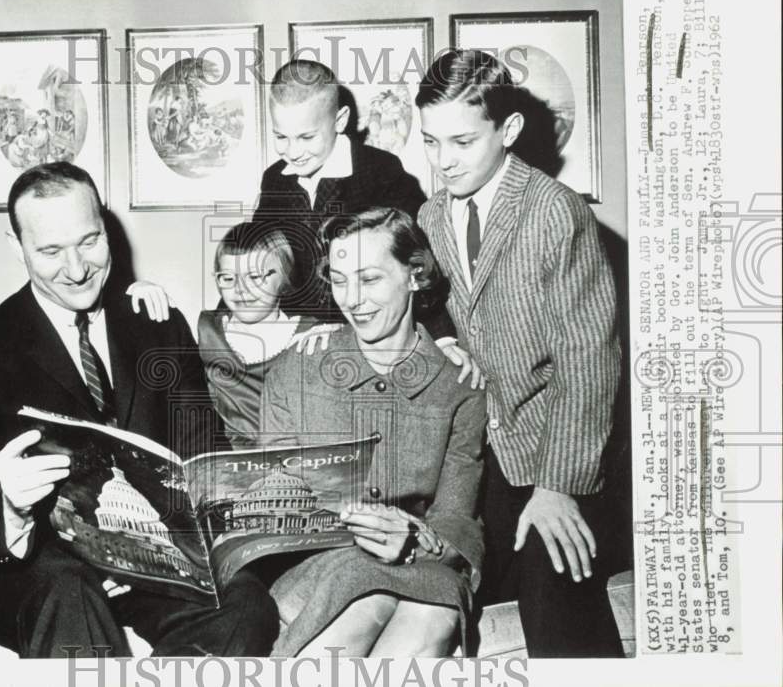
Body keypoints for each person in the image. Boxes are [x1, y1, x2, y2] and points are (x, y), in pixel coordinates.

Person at [0, 161, 278, 658]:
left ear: (106, 227)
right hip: (48, 570)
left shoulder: (157, 325)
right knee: (68, 591)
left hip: (156, 562)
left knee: (244, 603)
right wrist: (7, 503)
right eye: (50, 251)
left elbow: (204, 451)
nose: (76, 270)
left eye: (89, 242)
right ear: (17, 246)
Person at [415, 49, 623, 657]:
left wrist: (558, 486)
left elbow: (589, 359)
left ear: (507, 131)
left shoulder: (556, 211)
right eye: (430, 142)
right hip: (479, 460)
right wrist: (441, 336)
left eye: (461, 142)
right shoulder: (428, 217)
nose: (443, 161)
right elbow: (431, 309)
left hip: (559, 452)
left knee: (553, 579)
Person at [257, 207, 486, 657]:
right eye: (340, 279)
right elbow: (274, 493)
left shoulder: (459, 385)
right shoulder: (297, 368)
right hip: (321, 563)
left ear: (415, 275)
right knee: (370, 597)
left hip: (423, 563)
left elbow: (457, 514)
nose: (352, 299)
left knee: (433, 609)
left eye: (370, 279)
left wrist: (418, 538)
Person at [253, 59, 427, 319]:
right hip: (295, 331)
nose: (292, 152)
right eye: (281, 137)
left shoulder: (381, 171)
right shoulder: (275, 179)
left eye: (306, 137)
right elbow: (257, 257)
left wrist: (442, 336)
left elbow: (416, 263)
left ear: (340, 120)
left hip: (364, 326)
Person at [196, 221, 320, 448]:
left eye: (255, 277)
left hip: (292, 457)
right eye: (227, 278)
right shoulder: (208, 331)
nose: (241, 289)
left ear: (285, 276)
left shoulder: (309, 334)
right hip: (230, 461)